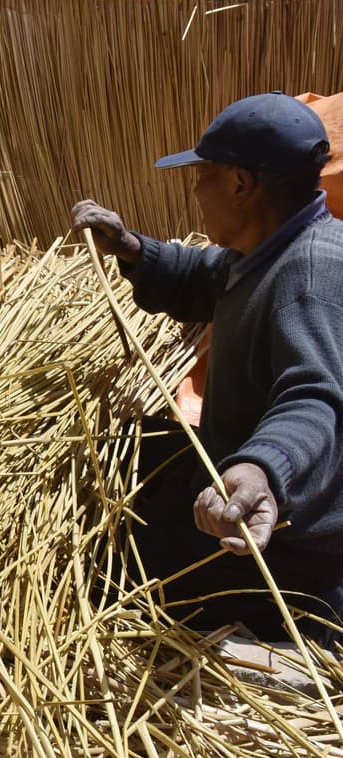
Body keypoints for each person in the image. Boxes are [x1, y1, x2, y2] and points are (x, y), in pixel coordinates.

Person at [73, 91, 343, 645]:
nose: (196, 190)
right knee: (125, 455)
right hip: (242, 464)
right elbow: (206, 276)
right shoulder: (268, 244)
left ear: (240, 185)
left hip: (287, 536)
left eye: (204, 176)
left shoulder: (310, 278)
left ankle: (311, 620)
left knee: (110, 564)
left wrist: (262, 469)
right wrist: (131, 248)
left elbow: (315, 398)